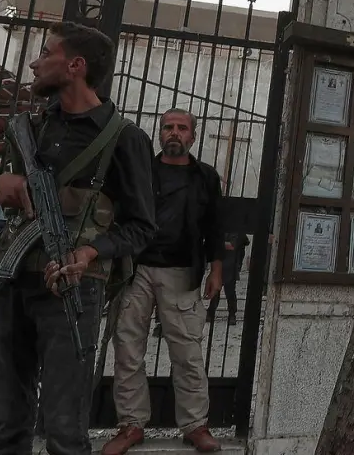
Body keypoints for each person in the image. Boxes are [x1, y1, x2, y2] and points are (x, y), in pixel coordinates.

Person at [0, 23, 157, 455]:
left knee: (64, 426)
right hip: (13, 280)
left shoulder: (124, 138)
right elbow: (9, 187)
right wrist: (3, 179)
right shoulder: (30, 128)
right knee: (6, 420)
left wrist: (89, 251)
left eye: (46, 53)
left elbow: (141, 226)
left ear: (75, 66)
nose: (34, 62)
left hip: (71, 286)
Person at [103, 108, 223, 455]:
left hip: (182, 273)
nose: (174, 133)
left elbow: (215, 226)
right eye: (168, 127)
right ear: (159, 134)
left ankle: (196, 425)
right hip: (135, 270)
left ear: (193, 136)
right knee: (127, 350)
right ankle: (131, 424)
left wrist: (217, 269)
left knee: (187, 354)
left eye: (181, 128)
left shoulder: (206, 177)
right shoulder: (141, 173)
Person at [212, 232, 250, 325]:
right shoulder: (222, 227)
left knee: (230, 291)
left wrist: (217, 243)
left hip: (231, 265)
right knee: (216, 289)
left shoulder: (236, 229)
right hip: (220, 263)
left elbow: (233, 245)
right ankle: (211, 311)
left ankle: (232, 314)